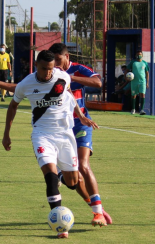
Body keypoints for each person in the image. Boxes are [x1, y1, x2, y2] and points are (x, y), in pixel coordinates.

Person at [2, 50, 98, 238]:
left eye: (51, 69)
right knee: (50, 176)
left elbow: (70, 96)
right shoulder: (25, 84)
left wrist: (81, 116)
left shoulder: (62, 76)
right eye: (44, 69)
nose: (48, 73)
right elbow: (13, 106)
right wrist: (6, 134)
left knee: (72, 183)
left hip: (64, 135)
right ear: (36, 65)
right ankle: (60, 225)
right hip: (42, 134)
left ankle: (63, 175)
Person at [48, 43, 111, 227]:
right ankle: (95, 206)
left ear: (67, 57)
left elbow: (98, 82)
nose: (56, 65)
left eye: (58, 60)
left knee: (83, 165)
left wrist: (71, 77)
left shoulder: (78, 69)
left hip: (81, 124)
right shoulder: (51, 74)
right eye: (53, 61)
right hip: (60, 128)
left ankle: (97, 213)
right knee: (73, 181)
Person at [127, 50, 150, 115]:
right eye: (137, 54)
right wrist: (127, 77)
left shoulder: (144, 63)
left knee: (142, 94)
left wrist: (147, 82)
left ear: (142, 55)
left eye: (140, 54)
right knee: (133, 95)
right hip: (134, 82)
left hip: (142, 81)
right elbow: (127, 70)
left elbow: (147, 73)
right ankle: (133, 109)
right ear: (135, 56)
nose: (138, 56)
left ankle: (142, 110)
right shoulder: (133, 62)